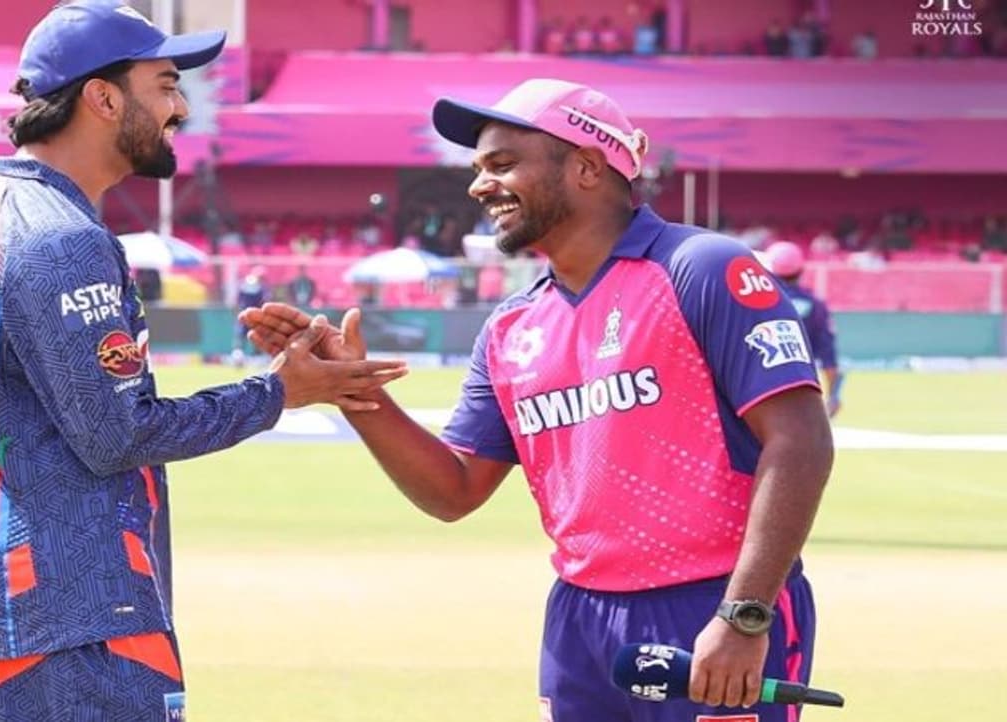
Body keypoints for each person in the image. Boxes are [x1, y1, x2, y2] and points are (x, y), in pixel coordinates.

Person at [243, 78, 834, 722]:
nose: (480, 186)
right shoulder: (511, 327)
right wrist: (354, 390)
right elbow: (453, 491)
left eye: (502, 164)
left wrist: (745, 614)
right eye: (478, 168)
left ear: (587, 166)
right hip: (579, 619)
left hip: (713, 605)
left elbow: (800, 440)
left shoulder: (701, 267)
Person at [0, 3, 407, 721]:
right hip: (86, 620)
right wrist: (277, 392)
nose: (180, 107)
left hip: (36, 612)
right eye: (164, 86)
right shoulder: (63, 240)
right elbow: (120, 434)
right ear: (102, 98)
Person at [761, 241, 843, 417]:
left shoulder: (756, 301)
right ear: (800, 270)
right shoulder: (816, 304)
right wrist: (833, 396)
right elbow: (829, 358)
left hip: (761, 388)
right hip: (803, 386)